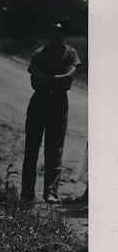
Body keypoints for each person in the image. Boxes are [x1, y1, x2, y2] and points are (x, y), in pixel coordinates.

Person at [20, 22, 81, 204]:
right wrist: (57, 80)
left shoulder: (70, 53)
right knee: (31, 148)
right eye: (54, 32)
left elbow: (70, 75)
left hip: (59, 104)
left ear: (65, 34)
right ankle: (27, 193)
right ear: (50, 33)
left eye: (60, 32)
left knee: (54, 149)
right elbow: (34, 79)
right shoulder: (40, 53)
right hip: (39, 102)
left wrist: (48, 80)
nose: (57, 35)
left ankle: (51, 192)